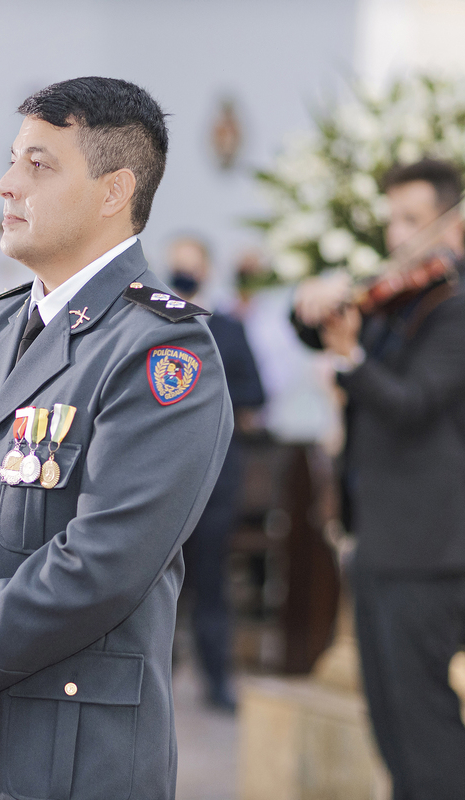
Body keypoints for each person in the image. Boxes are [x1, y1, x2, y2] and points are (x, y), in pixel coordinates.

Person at [0, 77, 233, 798]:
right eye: (13, 159)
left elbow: (102, 563)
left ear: (114, 192)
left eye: (38, 165)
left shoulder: (162, 350)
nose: (6, 185)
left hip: (72, 754)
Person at [292, 158, 465, 800]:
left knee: (425, 723)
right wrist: (311, 305)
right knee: (390, 722)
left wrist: (351, 357)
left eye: (413, 219)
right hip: (381, 537)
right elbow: (317, 332)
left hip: (429, 540)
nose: (397, 235)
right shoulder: (400, 298)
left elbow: (412, 403)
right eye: (392, 220)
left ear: (453, 225)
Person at [167, 235, 264, 711]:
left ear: (206, 269)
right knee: (156, 584)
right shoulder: (154, 322)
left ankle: (216, 678)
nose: (183, 273)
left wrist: (204, 392)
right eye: (176, 265)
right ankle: (157, 676)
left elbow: (255, 392)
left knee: (211, 580)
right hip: (164, 476)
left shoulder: (226, 328)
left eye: (191, 265)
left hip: (215, 474)